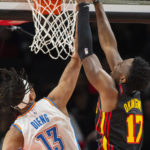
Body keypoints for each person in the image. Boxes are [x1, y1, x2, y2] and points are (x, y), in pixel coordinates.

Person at [77, 0, 150, 149]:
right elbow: (110, 47)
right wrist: (98, 4)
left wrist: (83, 6)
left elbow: (85, 52)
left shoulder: (111, 92)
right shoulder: (132, 86)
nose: (119, 63)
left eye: (123, 64)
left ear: (123, 78)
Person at [1, 27, 81, 150]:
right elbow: (76, 60)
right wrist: (81, 14)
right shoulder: (54, 102)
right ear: (32, 93)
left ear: (14, 107)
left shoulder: (16, 132)